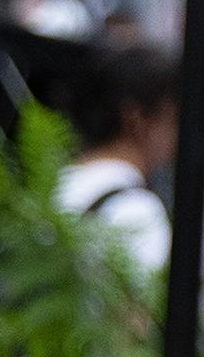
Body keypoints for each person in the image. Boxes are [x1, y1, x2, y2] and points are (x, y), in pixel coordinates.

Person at [54, 42, 179, 275]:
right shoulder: (137, 211)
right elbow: (141, 309)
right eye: (173, 119)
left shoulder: (56, 185)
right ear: (137, 119)